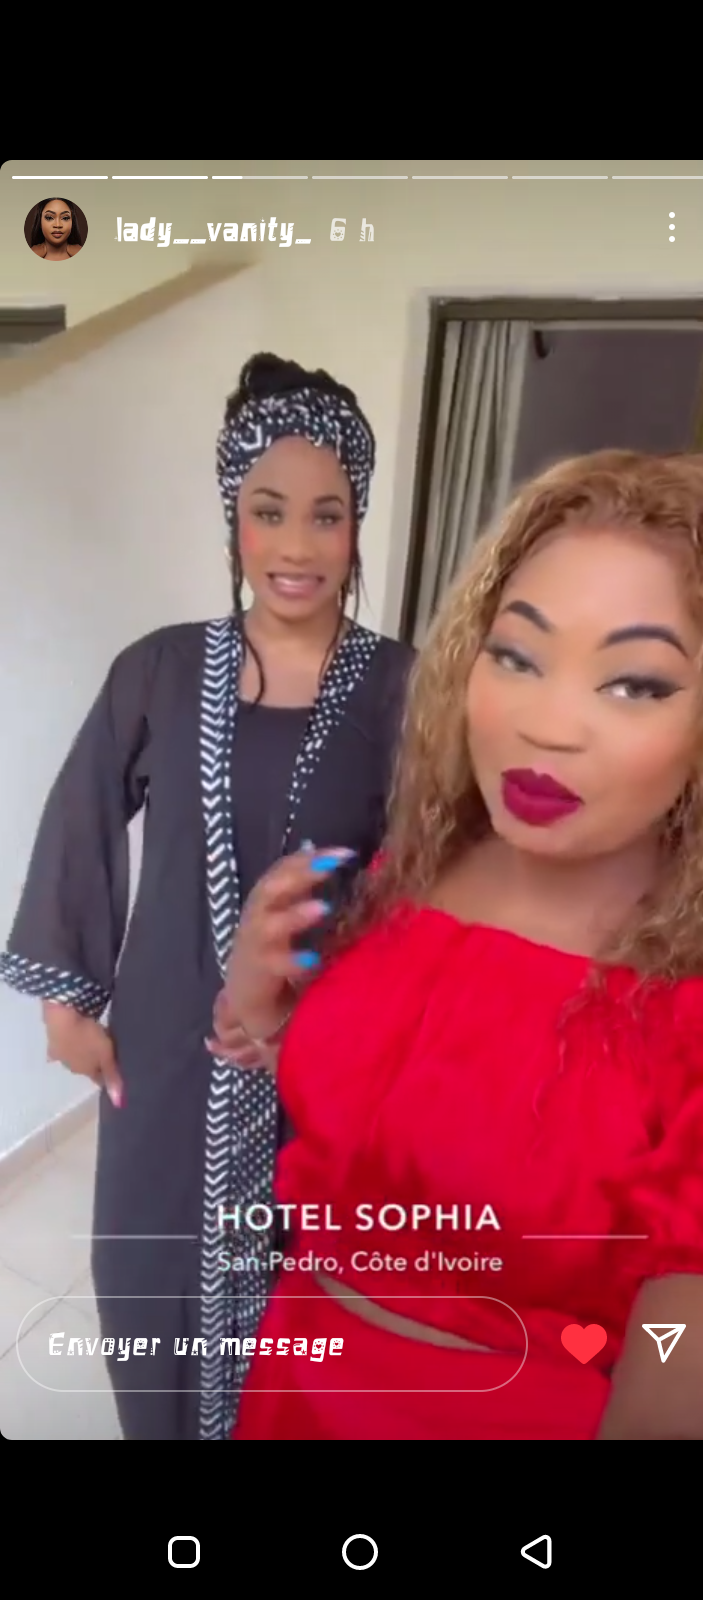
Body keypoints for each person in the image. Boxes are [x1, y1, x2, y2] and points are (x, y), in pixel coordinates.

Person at [220, 448, 703, 1441]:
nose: (546, 726)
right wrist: (269, 1015)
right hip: (289, 1384)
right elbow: (399, 1139)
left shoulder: (698, 995)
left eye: (634, 684)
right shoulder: (419, 865)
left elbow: (686, 1353)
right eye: (518, 656)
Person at [0, 353, 414, 1441]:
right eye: (268, 511)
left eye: (326, 516)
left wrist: (347, 1029)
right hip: (164, 1048)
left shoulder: (404, 689)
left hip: (320, 1062)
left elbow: (429, 876)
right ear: (233, 517)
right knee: (146, 1283)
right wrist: (66, 1004)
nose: (296, 546)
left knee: (297, 1317)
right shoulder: (161, 669)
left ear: (357, 526)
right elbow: (82, 815)